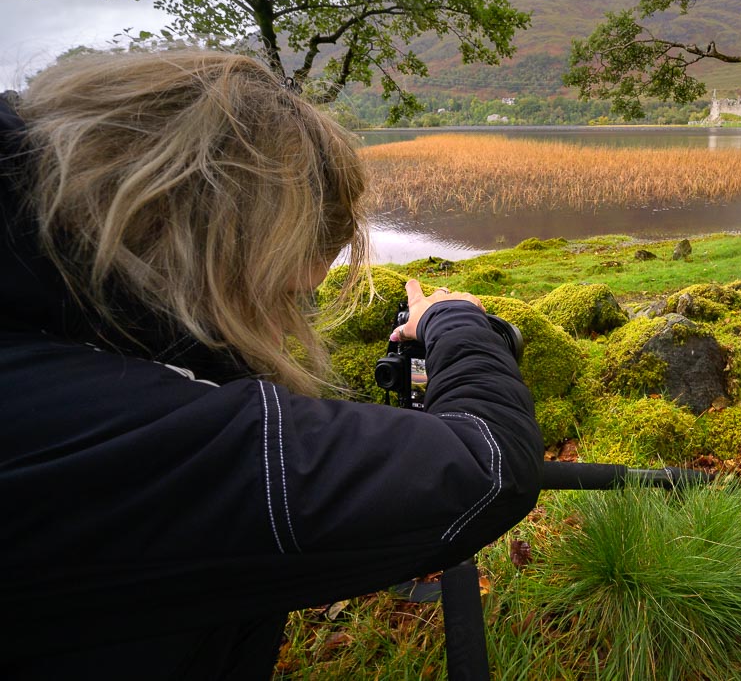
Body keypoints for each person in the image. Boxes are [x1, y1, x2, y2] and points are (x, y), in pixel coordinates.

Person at [0, 51, 543, 678]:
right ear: (218, 247)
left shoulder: (53, 330)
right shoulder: (120, 425)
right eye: (284, 294)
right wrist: (454, 319)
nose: (286, 325)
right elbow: (491, 462)